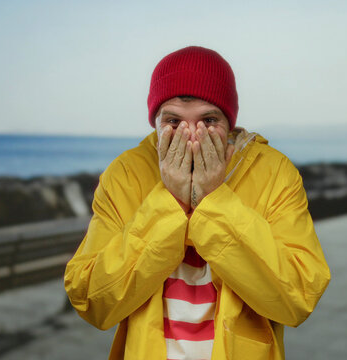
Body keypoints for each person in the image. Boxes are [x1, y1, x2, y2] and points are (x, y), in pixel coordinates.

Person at [64, 46, 330, 360]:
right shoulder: (125, 174)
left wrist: (214, 200)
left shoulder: (274, 172)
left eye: (208, 120)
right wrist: (170, 201)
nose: (191, 135)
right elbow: (93, 302)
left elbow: (298, 298)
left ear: (230, 122)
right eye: (174, 121)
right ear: (155, 122)